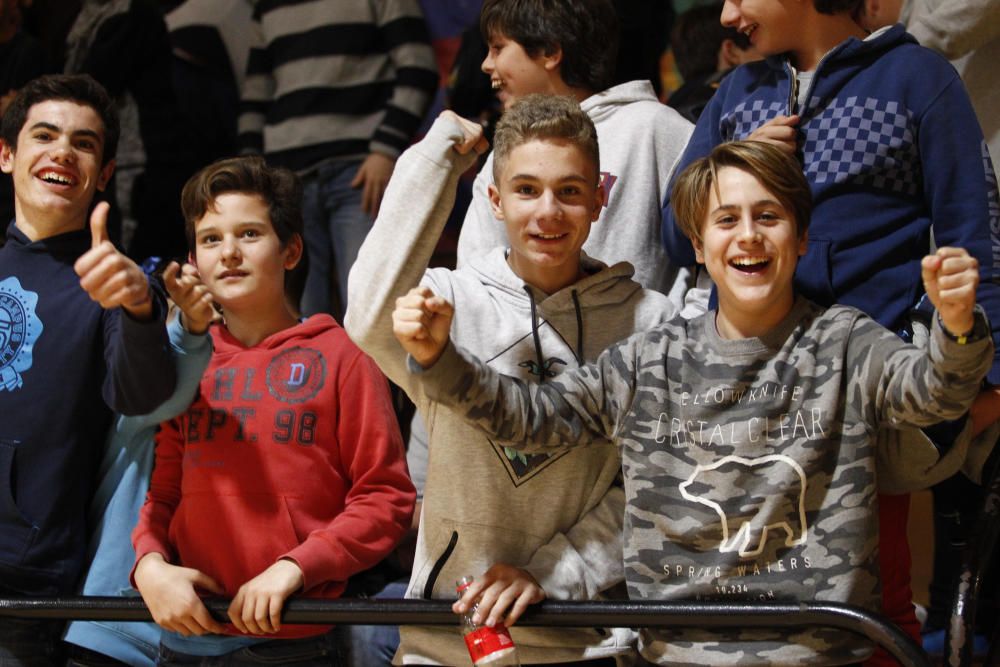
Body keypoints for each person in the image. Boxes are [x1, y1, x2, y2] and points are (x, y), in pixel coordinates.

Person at [397, 140, 993, 666]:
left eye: (769, 217)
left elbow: (933, 393)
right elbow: (531, 419)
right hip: (673, 654)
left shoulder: (845, 342)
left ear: (802, 238)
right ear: (699, 246)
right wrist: (439, 357)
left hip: (817, 651)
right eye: (726, 219)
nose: (749, 235)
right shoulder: (646, 360)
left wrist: (958, 326)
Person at [658, 0, 1000, 658]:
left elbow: (974, 238)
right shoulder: (737, 91)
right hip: (740, 397)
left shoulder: (918, 78)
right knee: (747, 602)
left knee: (870, 601)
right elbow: (675, 235)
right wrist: (738, 162)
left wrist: (980, 385)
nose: (727, 15)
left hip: (865, 398)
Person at [345, 94, 675, 665]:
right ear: (495, 199)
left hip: (583, 639)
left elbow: (656, 485)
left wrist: (556, 572)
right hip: (445, 640)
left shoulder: (654, 322)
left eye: (570, 191)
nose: (547, 211)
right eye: (526, 189)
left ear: (600, 199)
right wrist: (437, 157)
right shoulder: (449, 301)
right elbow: (368, 318)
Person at [130, 156, 416, 665]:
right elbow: (164, 493)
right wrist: (149, 566)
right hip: (185, 636)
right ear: (193, 259)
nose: (230, 253)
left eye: (249, 234)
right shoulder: (189, 363)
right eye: (211, 239)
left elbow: (385, 497)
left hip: (293, 640)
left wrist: (296, 567)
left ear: (290, 251)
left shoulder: (343, 357)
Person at [0, 73, 175, 663]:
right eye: (43, 135)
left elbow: (143, 398)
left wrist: (140, 308)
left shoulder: (117, 286)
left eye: (83, 143)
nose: (61, 153)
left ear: (103, 175)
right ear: (7, 155)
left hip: (26, 587)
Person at [455, 0, 697, 310]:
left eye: (498, 48)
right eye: (527, 190)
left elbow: (710, 251)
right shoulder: (508, 152)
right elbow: (474, 276)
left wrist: (676, 336)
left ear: (549, 52)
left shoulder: (654, 129)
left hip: (644, 353)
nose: (486, 64)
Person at [239, 0, 438, 319]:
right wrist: (251, 176)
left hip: (359, 170)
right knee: (296, 311)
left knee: (371, 307)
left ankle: (370, 373)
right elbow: (255, 95)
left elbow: (418, 69)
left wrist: (385, 150)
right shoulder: (267, 6)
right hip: (285, 178)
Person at [63, 262, 217, 667]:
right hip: (111, 627)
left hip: (204, 635)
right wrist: (190, 325)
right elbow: (170, 387)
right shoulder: (140, 392)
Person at [666, 2, 760, 123]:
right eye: (757, 46)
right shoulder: (741, 104)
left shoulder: (670, 109)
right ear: (731, 51)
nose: (772, 59)